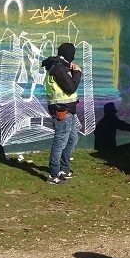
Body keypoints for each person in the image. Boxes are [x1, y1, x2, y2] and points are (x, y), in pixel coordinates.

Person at [41, 42, 82, 185]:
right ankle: (53, 174)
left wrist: (71, 71)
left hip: (68, 109)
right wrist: (77, 73)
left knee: (72, 139)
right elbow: (70, 87)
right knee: (60, 141)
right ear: (68, 55)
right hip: (61, 110)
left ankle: (64, 168)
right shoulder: (58, 68)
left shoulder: (60, 66)